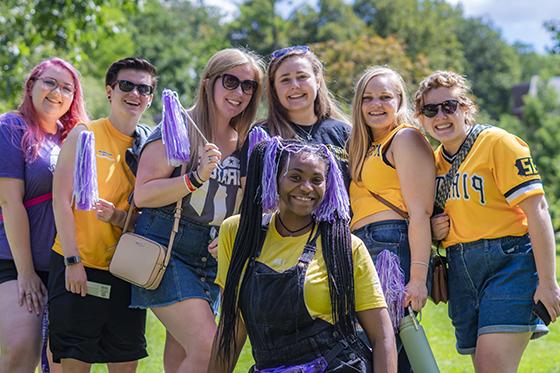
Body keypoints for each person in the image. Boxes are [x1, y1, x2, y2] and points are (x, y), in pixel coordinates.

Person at [209, 138, 397, 372]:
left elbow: (382, 336)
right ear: (274, 179)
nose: (307, 187)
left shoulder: (346, 246)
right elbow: (232, 324)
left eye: (316, 180)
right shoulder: (239, 233)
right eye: (295, 177)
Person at [415, 70, 560, 372]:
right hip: (460, 271)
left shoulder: (498, 143)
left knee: (491, 366)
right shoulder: (432, 162)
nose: (441, 115)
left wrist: (548, 283)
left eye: (450, 106)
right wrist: (433, 232)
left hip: (508, 264)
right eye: (431, 110)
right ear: (421, 119)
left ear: (466, 108)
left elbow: (538, 209)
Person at [130, 48, 264, 372]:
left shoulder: (246, 141)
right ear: (208, 82)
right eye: (230, 81)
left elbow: (245, 205)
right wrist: (195, 177)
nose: (239, 93)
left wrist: (235, 233)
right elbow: (143, 195)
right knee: (209, 351)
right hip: (169, 249)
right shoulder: (179, 128)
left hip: (213, 257)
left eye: (249, 86)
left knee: (183, 358)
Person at [49, 57, 157, 372]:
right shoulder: (85, 133)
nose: (135, 93)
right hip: (78, 267)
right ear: (110, 90)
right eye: (127, 85)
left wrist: (118, 218)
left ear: (150, 98)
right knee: (75, 363)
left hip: (127, 272)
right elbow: (61, 200)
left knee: (125, 363)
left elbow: (150, 218)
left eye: (144, 88)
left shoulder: (150, 146)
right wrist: (72, 262)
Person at [0, 58, 87, 373]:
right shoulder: (12, 126)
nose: (57, 93)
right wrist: (26, 273)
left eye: (67, 88)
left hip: (63, 266)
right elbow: (10, 203)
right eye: (50, 82)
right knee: (20, 348)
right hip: (13, 261)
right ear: (31, 85)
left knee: (62, 362)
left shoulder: (75, 138)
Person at [347, 66, 435, 372]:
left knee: (389, 345)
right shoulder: (366, 146)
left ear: (400, 100)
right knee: (372, 347)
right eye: (368, 98)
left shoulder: (405, 138)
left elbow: (420, 213)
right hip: (361, 247)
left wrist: (419, 279)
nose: (375, 104)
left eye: (385, 97)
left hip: (390, 248)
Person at [243, 45, 351, 186]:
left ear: (317, 81)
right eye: (285, 80)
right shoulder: (262, 135)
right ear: (274, 88)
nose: (295, 85)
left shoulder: (344, 133)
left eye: (302, 77)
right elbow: (251, 195)